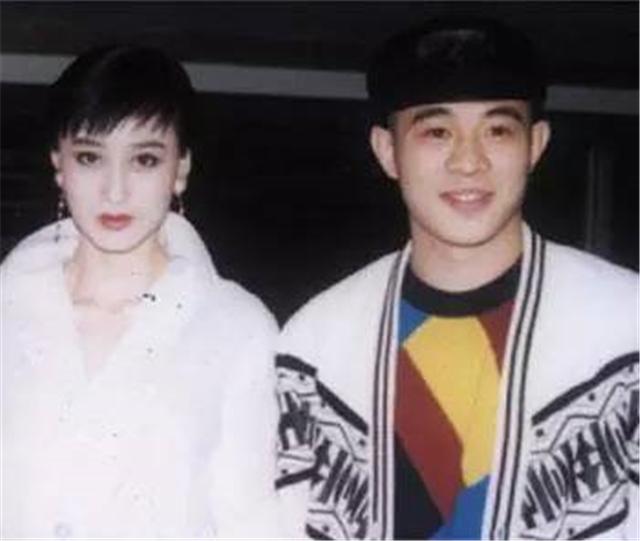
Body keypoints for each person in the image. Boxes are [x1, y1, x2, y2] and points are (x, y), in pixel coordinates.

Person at [274, 17, 638, 540]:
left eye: (498, 130)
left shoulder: (623, 329)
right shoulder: (316, 345)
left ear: (535, 145)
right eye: (437, 132)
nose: (469, 161)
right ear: (387, 151)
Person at [1, 45, 280, 538]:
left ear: (181, 168)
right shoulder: (8, 308)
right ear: (58, 164)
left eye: (144, 159)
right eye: (90, 157)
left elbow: (254, 523)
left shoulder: (237, 327)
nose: (115, 190)